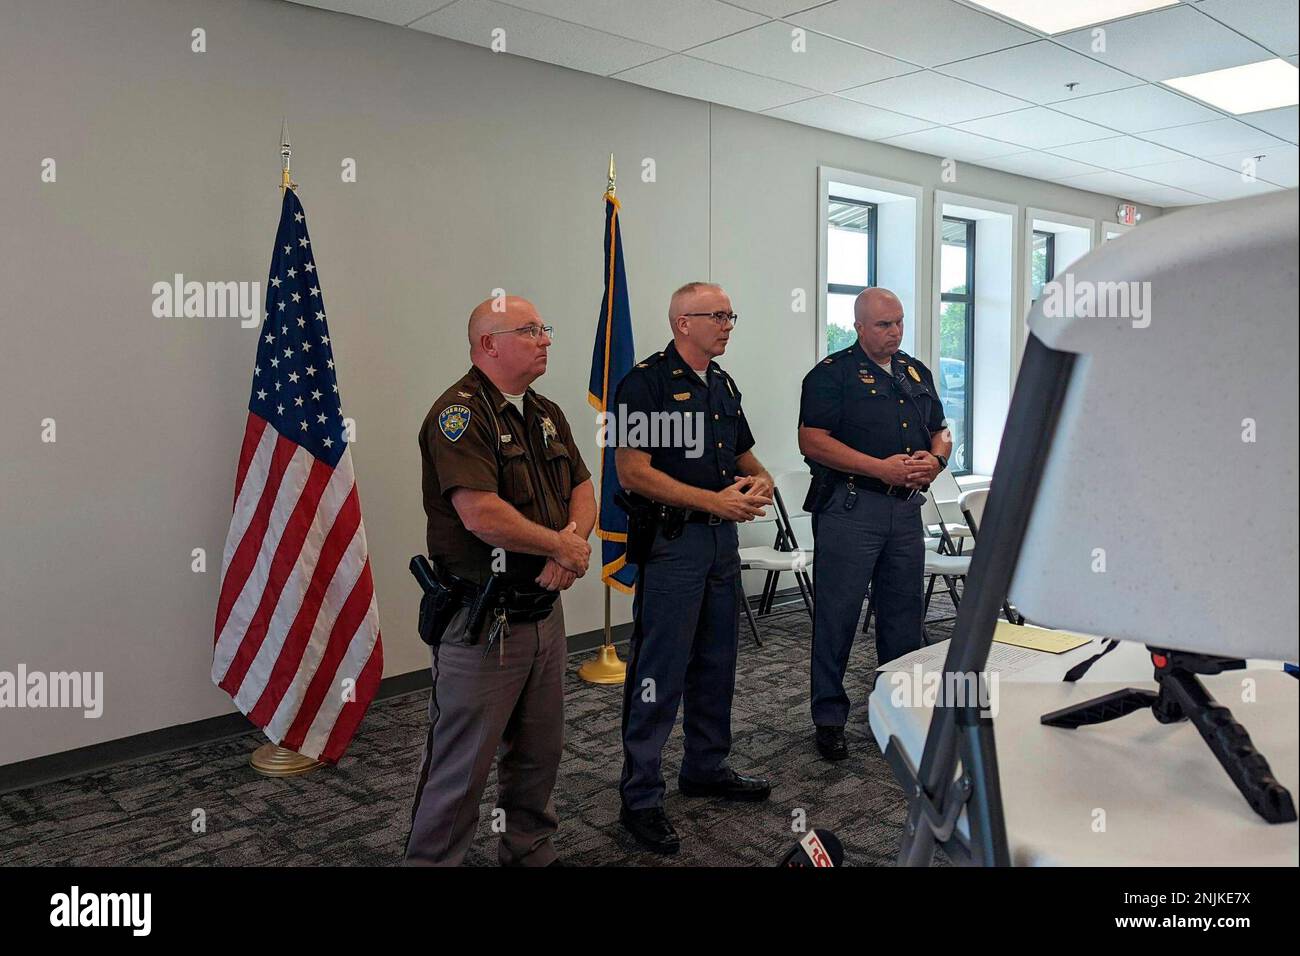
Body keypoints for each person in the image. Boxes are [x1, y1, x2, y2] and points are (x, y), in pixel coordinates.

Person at [404, 294, 596, 866]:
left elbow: (583, 489)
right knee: (461, 767)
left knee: (540, 754)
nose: (546, 339)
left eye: (545, 329)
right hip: (482, 621)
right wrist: (560, 543)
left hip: (543, 611)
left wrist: (572, 544)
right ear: (490, 343)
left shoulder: (545, 412)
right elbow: (481, 514)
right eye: (532, 330)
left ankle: (529, 853)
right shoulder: (458, 415)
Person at [613, 281, 775, 855]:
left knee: (716, 662)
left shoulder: (722, 383)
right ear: (683, 322)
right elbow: (631, 472)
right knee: (660, 670)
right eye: (718, 315)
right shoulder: (646, 383)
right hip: (674, 544)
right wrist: (713, 502)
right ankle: (641, 796)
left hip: (719, 546)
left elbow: (742, 452)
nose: (729, 324)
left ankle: (705, 766)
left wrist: (764, 478)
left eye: (732, 314)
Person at [798, 287, 952, 762]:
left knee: (904, 617)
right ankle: (829, 717)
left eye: (900, 322)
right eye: (885, 324)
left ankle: (898, 713)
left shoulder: (914, 371)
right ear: (859, 326)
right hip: (851, 509)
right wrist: (877, 468)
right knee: (837, 616)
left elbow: (940, 429)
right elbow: (812, 441)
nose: (895, 332)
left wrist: (938, 459)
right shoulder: (831, 375)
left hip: (905, 511)